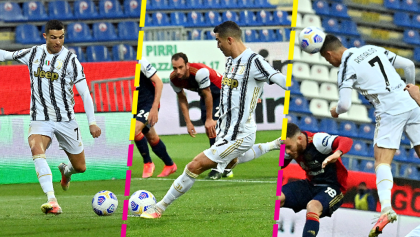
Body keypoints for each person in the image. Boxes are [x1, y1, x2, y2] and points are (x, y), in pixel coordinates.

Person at [140, 20, 287, 219]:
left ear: (229, 39)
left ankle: (159, 208)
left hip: (240, 134)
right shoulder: (231, 61)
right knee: (231, 161)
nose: (217, 46)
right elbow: (231, 90)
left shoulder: (254, 61)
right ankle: (273, 145)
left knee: (194, 165)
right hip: (226, 130)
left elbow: (282, 81)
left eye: (218, 41)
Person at [320, 34, 420, 237]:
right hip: (410, 103)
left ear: (329, 54)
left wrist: (335, 111)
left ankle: (386, 209)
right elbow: (409, 65)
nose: (329, 63)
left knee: (382, 162)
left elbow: (345, 105)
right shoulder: (371, 49)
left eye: (326, 59)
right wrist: (410, 87)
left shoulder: (346, 67)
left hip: (389, 110)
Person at [0, 20, 101, 214]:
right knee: (35, 147)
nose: (58, 42)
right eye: (54, 37)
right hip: (40, 118)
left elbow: (86, 94)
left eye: (61, 37)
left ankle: (66, 170)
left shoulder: (71, 60)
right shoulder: (33, 53)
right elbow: (6, 55)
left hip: (66, 120)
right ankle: (52, 200)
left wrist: (92, 122)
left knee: (80, 167)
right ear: (45, 36)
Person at [279, 123, 353, 237]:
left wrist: (337, 153)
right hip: (310, 185)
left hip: (333, 187)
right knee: (276, 197)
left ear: (299, 139)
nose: (287, 151)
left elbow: (346, 140)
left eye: (289, 147)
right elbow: (279, 165)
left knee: (313, 206)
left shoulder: (318, 141)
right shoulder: (292, 148)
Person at [170, 52, 229, 180]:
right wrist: (188, 122)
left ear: (187, 65)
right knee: (211, 132)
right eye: (175, 68)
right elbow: (182, 98)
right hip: (205, 95)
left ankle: (217, 168)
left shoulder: (199, 72)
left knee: (215, 128)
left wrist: (209, 118)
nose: (178, 71)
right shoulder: (174, 79)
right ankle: (226, 166)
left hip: (223, 92)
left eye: (180, 67)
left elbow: (208, 93)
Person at [134, 58, 177, 178]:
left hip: (148, 103)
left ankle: (148, 162)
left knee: (134, 130)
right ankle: (170, 165)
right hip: (135, 105)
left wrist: (154, 108)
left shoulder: (140, 62)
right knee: (152, 137)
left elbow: (159, 82)